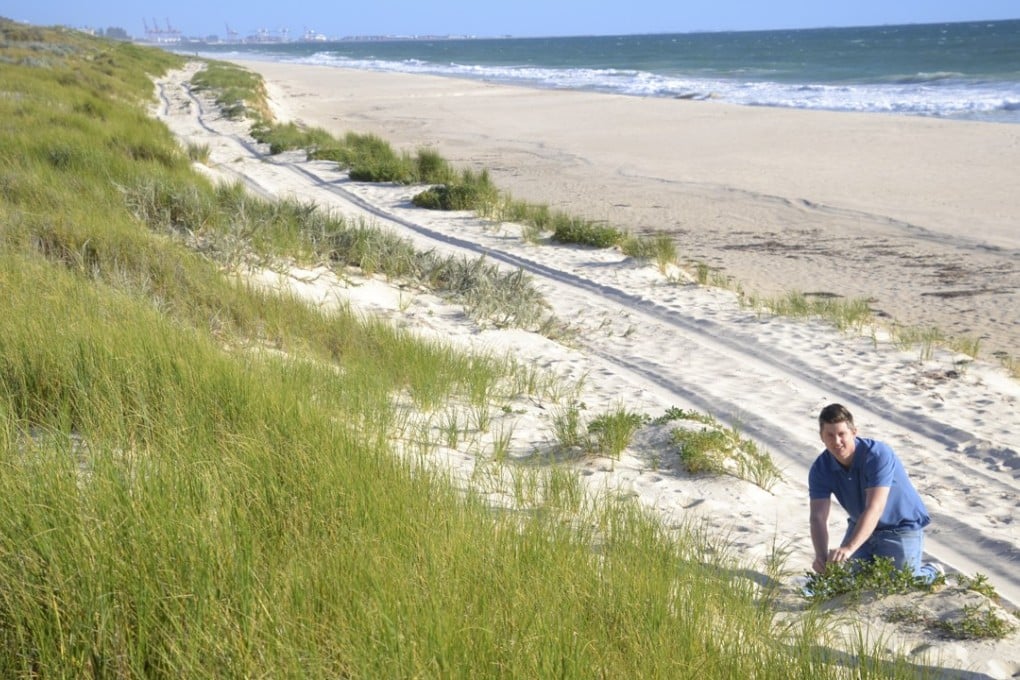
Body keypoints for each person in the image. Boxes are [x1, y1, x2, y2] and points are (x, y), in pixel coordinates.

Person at [808, 403, 942, 583]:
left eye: (842, 434)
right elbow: (818, 517)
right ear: (821, 437)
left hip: (900, 526)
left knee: (901, 583)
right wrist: (821, 556)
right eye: (830, 435)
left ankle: (932, 572)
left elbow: (875, 507)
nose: (837, 441)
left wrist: (848, 548)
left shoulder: (877, 455)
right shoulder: (820, 468)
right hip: (860, 526)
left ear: (854, 432)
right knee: (845, 582)